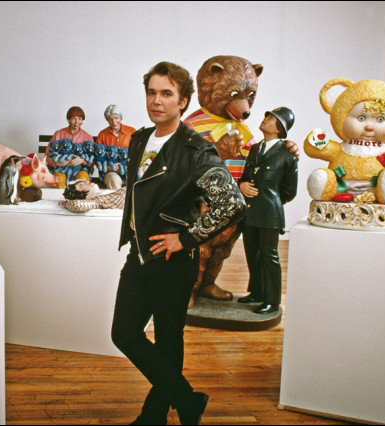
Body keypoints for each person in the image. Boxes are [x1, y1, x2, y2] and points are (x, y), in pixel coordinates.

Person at [111, 62, 246, 425]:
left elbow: (232, 203)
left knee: (168, 339)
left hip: (173, 260)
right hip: (140, 254)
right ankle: (187, 401)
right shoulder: (140, 139)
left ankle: (153, 416)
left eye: (166, 94)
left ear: (183, 101)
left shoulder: (196, 149)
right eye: (151, 93)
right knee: (124, 334)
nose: (157, 101)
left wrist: (186, 238)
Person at [237, 107, 298, 314]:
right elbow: (246, 175)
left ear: (279, 128)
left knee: (268, 256)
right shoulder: (255, 149)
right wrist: (242, 185)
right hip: (249, 211)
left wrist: (271, 201)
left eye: (271, 118)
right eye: (267, 116)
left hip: (269, 213)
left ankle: (272, 301)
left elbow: (289, 191)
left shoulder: (287, 154)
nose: (265, 120)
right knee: (252, 253)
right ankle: (257, 292)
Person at [46, 106, 94, 187]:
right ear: (68, 120)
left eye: (79, 119)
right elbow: (47, 155)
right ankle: (62, 195)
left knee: (83, 179)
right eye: (73, 118)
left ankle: (78, 196)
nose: (76, 122)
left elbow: (93, 160)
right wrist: (57, 163)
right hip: (61, 169)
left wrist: (82, 161)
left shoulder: (88, 137)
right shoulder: (59, 134)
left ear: (83, 120)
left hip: (80, 170)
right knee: (58, 180)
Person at [96, 104, 136, 189]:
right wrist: (110, 168)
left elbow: (139, 153)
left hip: (129, 169)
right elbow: (97, 158)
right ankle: (117, 198)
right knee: (114, 180)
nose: (114, 122)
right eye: (110, 119)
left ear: (121, 117)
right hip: (110, 172)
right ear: (107, 120)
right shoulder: (102, 134)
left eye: (116, 118)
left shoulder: (132, 132)